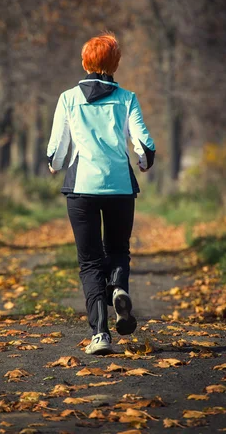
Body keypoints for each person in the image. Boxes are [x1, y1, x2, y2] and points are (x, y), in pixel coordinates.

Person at [47, 32, 155, 355]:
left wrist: (55, 164)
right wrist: (142, 162)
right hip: (121, 187)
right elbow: (146, 147)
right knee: (118, 249)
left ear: (84, 62)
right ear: (115, 64)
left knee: (90, 262)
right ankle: (119, 287)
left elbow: (56, 152)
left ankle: (100, 334)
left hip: (82, 190)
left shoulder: (68, 98)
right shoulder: (127, 98)